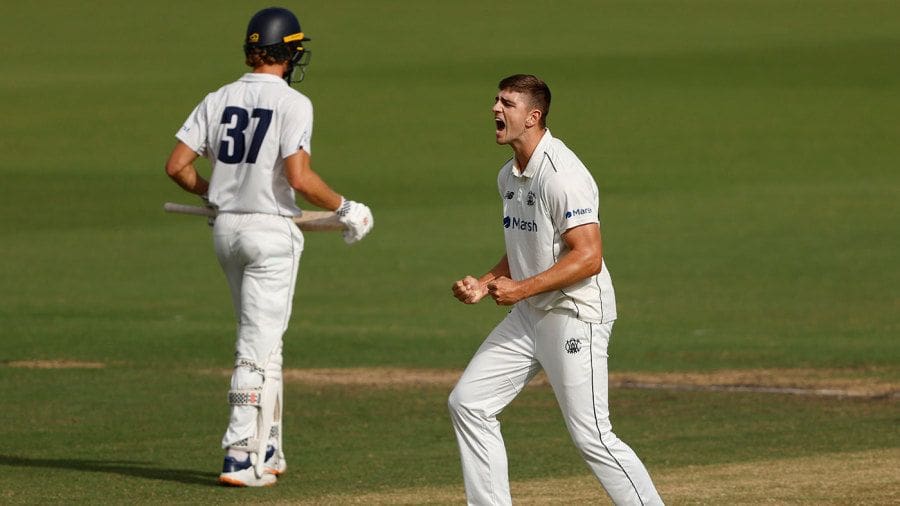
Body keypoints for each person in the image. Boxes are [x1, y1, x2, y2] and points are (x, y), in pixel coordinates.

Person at [164, 7, 373, 487]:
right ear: (290, 52)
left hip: (227, 232)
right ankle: (239, 454)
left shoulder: (218, 98)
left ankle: (268, 446)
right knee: (254, 350)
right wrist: (346, 207)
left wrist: (217, 193)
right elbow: (299, 179)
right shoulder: (293, 103)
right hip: (270, 236)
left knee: (265, 341)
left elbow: (177, 166)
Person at [448, 74, 663, 505]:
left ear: (533, 116)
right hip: (531, 314)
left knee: (593, 438)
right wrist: (485, 282)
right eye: (496, 100)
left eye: (506, 103)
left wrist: (521, 289)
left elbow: (588, 256)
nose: (494, 109)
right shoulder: (509, 176)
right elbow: (528, 244)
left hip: (573, 315)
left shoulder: (563, 175)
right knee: (468, 402)